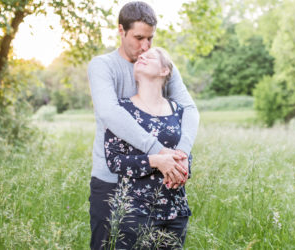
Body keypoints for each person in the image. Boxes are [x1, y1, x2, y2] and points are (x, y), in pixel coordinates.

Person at [87, 2, 199, 250]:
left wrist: (180, 155)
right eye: (138, 38)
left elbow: (189, 109)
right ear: (121, 30)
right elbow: (110, 113)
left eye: (150, 38)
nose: (145, 46)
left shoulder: (161, 67)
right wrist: (159, 151)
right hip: (111, 180)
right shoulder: (103, 66)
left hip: (155, 185)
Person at [105, 47, 192, 249]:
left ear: (164, 71)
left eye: (150, 56)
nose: (141, 55)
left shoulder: (179, 111)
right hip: (134, 213)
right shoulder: (121, 110)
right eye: (140, 57)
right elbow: (114, 161)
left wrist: (182, 169)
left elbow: (185, 151)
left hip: (175, 212)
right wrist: (156, 161)